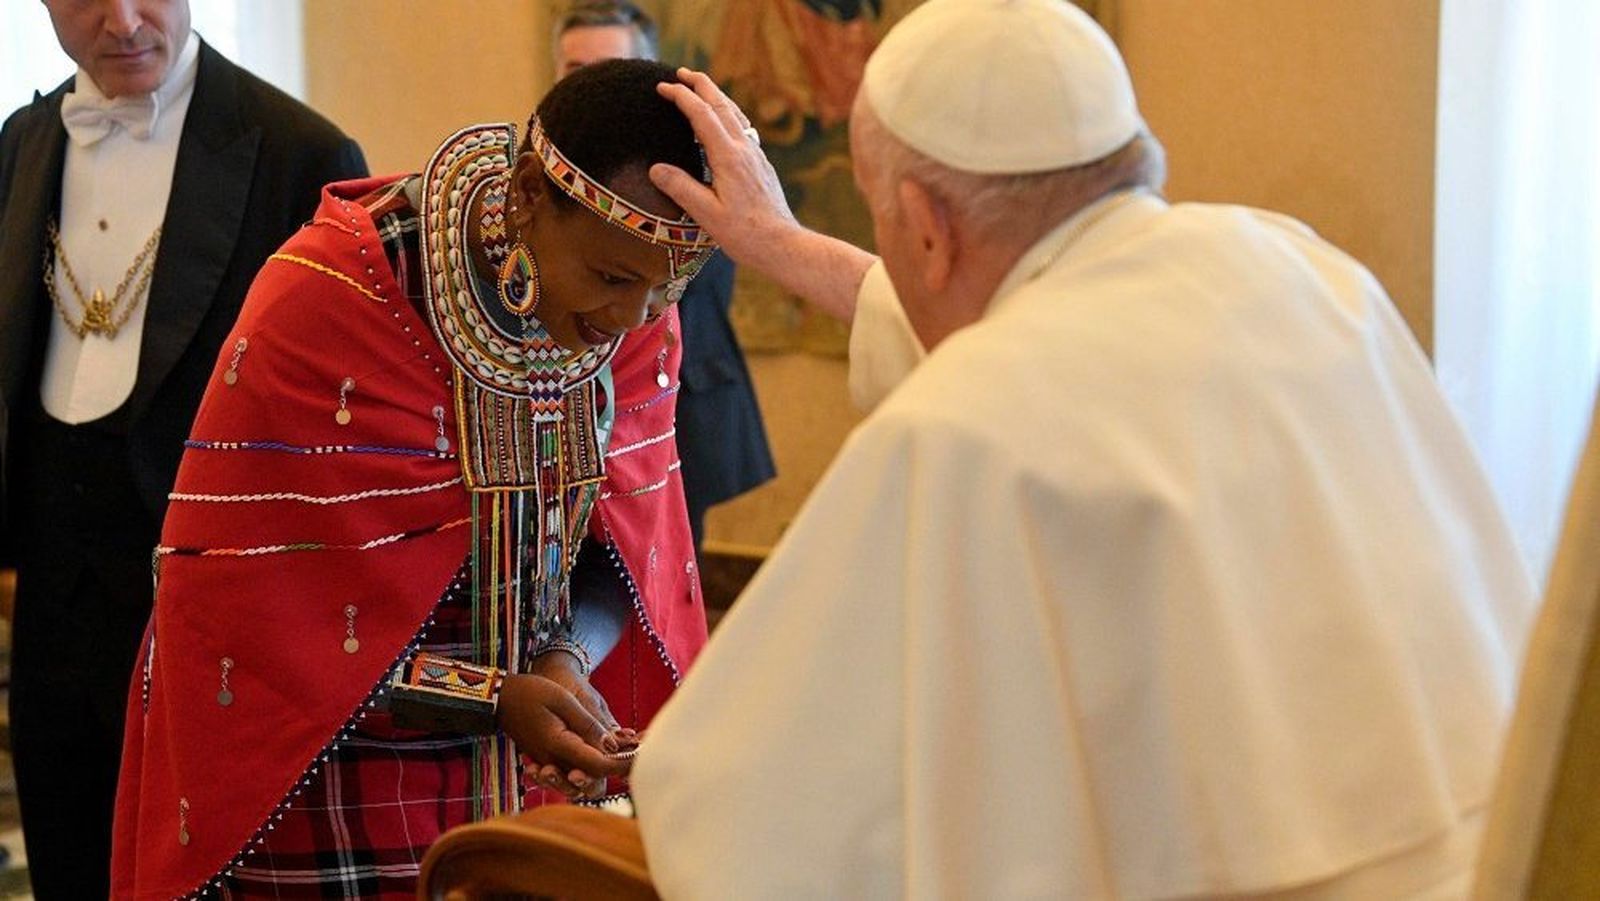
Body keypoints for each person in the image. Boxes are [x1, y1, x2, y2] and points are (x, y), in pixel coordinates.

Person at [627, 1, 1538, 896]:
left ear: (927, 226)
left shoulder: (960, 426)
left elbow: (732, 809)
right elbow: (1025, 320)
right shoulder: (1306, 274)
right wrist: (779, 244)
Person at [110, 57, 714, 899]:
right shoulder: (330, 298)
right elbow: (246, 622)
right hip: (325, 778)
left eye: (662, 295)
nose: (627, 321)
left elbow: (628, 550)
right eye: (612, 281)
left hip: (527, 774)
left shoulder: (638, 304)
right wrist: (492, 695)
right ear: (530, 194)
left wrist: (568, 660)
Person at [0, 1, 366, 896]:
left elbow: (343, 423)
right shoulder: (16, 142)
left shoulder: (303, 155)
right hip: (49, 607)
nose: (121, 22)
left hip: (220, 621)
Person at [555, 1, 776, 550]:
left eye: (610, 68)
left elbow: (703, 275)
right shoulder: (545, 159)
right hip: (566, 405)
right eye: (576, 71)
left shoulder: (697, 160)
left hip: (676, 394)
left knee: (671, 563)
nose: (595, 87)